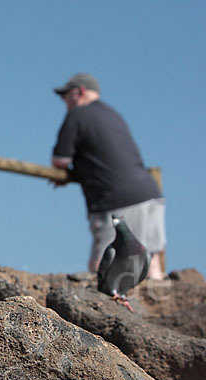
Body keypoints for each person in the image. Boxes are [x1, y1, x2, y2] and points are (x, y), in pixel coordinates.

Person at [51, 73, 166, 280]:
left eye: (65, 96)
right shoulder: (113, 115)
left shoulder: (78, 115)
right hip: (149, 195)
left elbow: (60, 160)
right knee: (151, 266)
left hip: (116, 201)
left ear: (80, 92)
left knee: (102, 267)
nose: (63, 101)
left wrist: (64, 174)